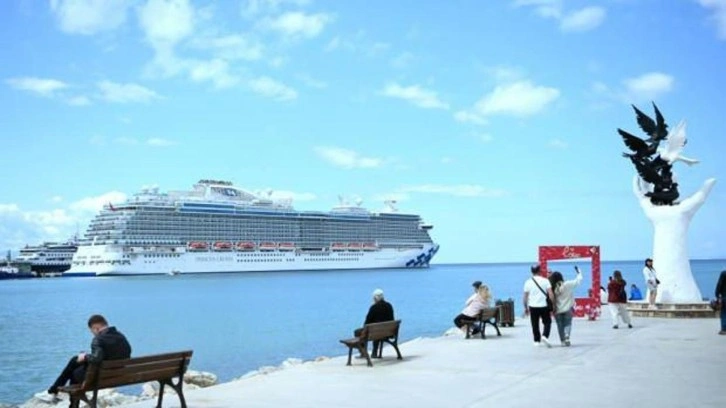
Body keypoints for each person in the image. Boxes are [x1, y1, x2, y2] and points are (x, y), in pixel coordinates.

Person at [48, 314, 131, 395]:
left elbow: (96, 358)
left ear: (96, 328)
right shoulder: (121, 336)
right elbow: (127, 351)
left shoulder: (98, 339)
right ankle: (55, 388)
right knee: (75, 360)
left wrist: (85, 356)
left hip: (100, 377)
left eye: (92, 331)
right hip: (118, 374)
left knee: (74, 371)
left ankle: (63, 395)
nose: (93, 333)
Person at [548, 266, 583, 346]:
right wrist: (579, 272)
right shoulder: (567, 284)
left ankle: (563, 341)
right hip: (568, 309)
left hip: (557, 310)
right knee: (568, 323)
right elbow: (578, 281)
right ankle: (567, 335)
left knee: (560, 326)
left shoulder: (552, 288)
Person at [354, 289, 394, 357]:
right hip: (388, 333)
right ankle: (374, 352)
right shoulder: (389, 306)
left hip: (375, 333)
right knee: (376, 330)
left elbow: (367, 322)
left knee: (357, 332)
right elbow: (392, 319)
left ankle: (363, 352)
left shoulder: (373, 308)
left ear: (375, 298)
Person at [523, 264, 555, 347]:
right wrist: (553, 304)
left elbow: (525, 297)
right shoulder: (545, 281)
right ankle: (545, 336)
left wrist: (525, 307)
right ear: (540, 271)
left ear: (531, 272)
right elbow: (551, 294)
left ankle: (536, 341)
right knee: (547, 322)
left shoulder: (528, 282)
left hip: (533, 306)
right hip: (544, 305)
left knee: (534, 323)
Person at [715, 270, 726, 335]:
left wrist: (717, 294)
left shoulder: (724, 273)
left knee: (724, 312)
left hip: (724, 296)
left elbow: (719, 284)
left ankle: (724, 329)